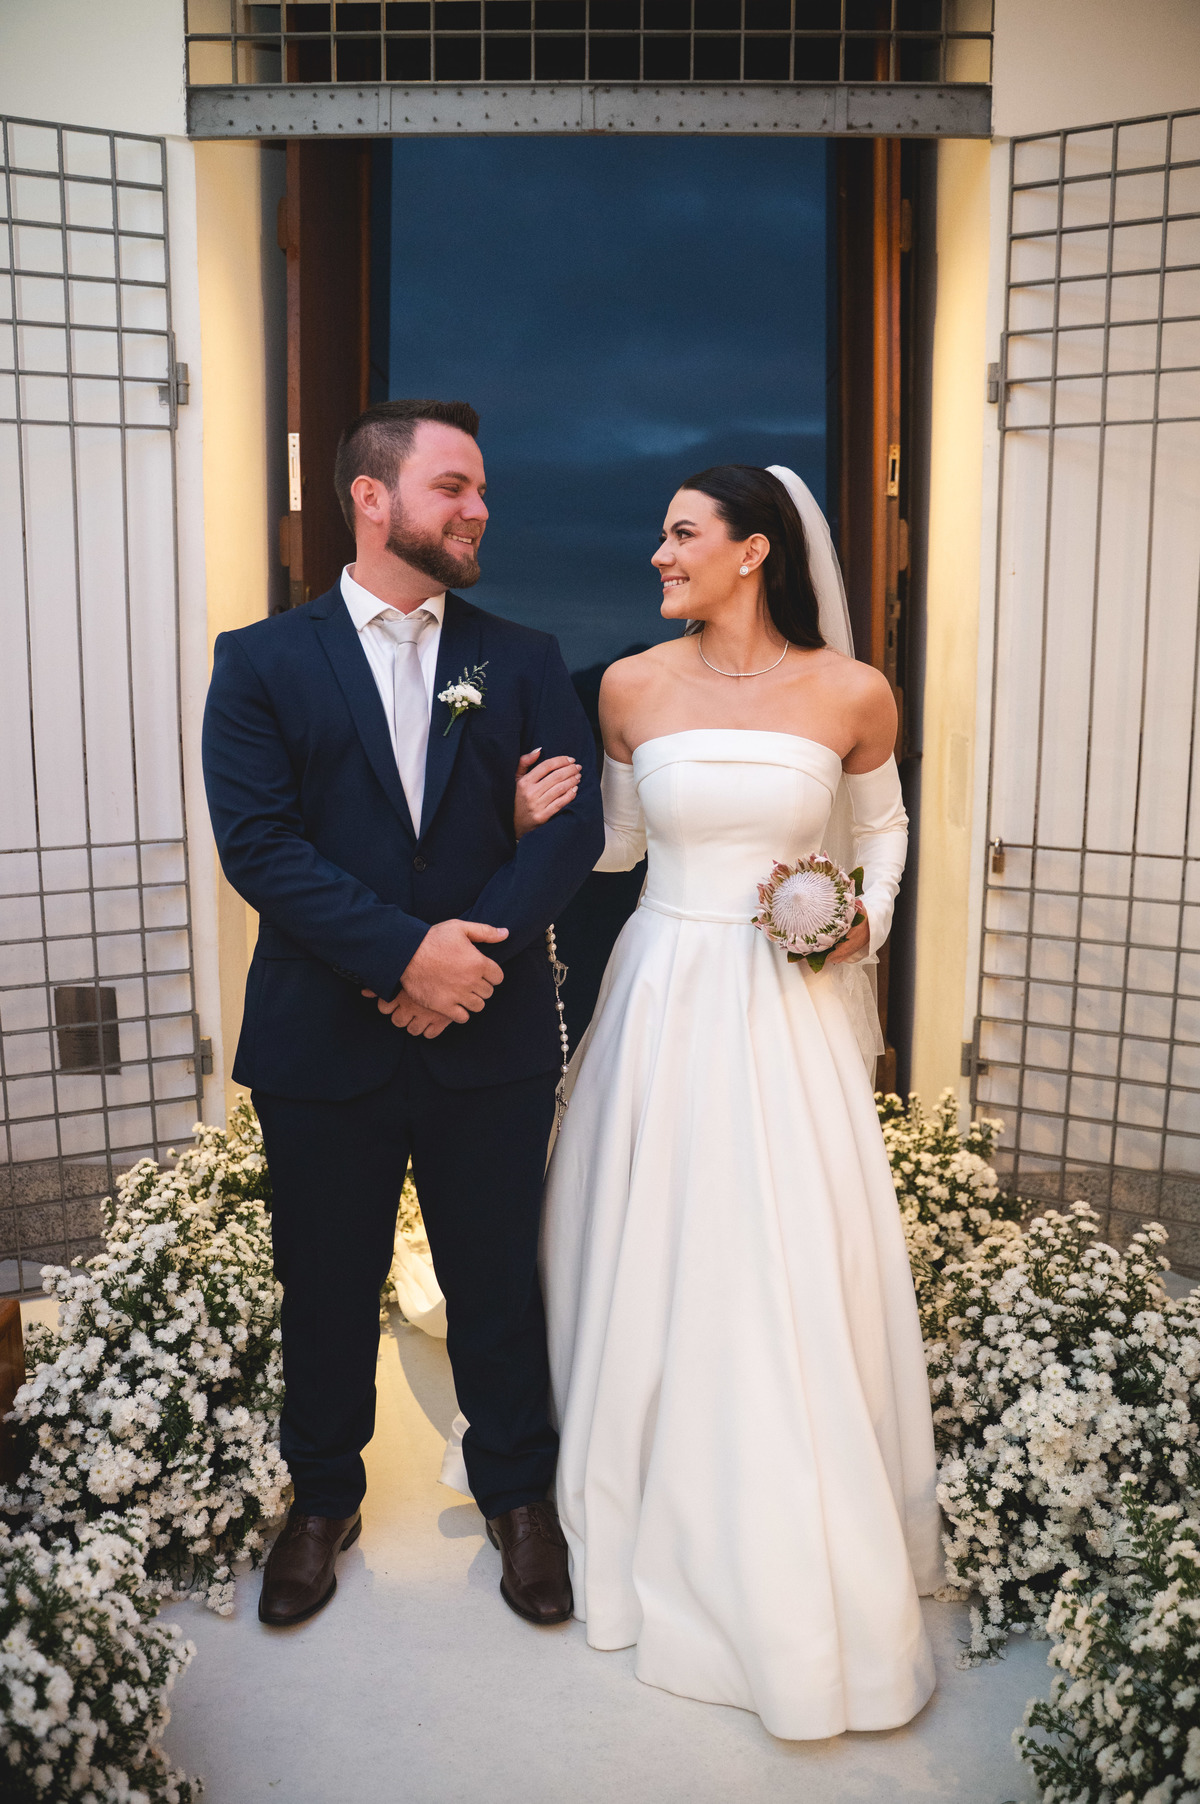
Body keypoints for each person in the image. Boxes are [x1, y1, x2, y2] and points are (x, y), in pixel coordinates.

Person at [536, 464, 943, 1740]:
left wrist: (858, 926)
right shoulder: (630, 688)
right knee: (649, 1232)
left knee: (779, 1250)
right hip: (661, 989)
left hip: (788, 1004)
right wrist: (521, 813)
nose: (658, 555)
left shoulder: (850, 693)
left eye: (681, 533)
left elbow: (885, 831)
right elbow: (614, 846)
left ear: (754, 552)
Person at [201, 399, 603, 1629]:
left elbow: (574, 828)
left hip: (486, 1037)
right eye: (453, 486)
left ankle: (518, 1500)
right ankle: (321, 1500)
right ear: (371, 498)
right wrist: (402, 957)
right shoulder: (260, 660)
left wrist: (460, 964)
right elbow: (260, 847)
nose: (479, 509)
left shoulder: (521, 657)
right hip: (323, 1039)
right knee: (325, 1279)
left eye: (481, 489)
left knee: (497, 1280)